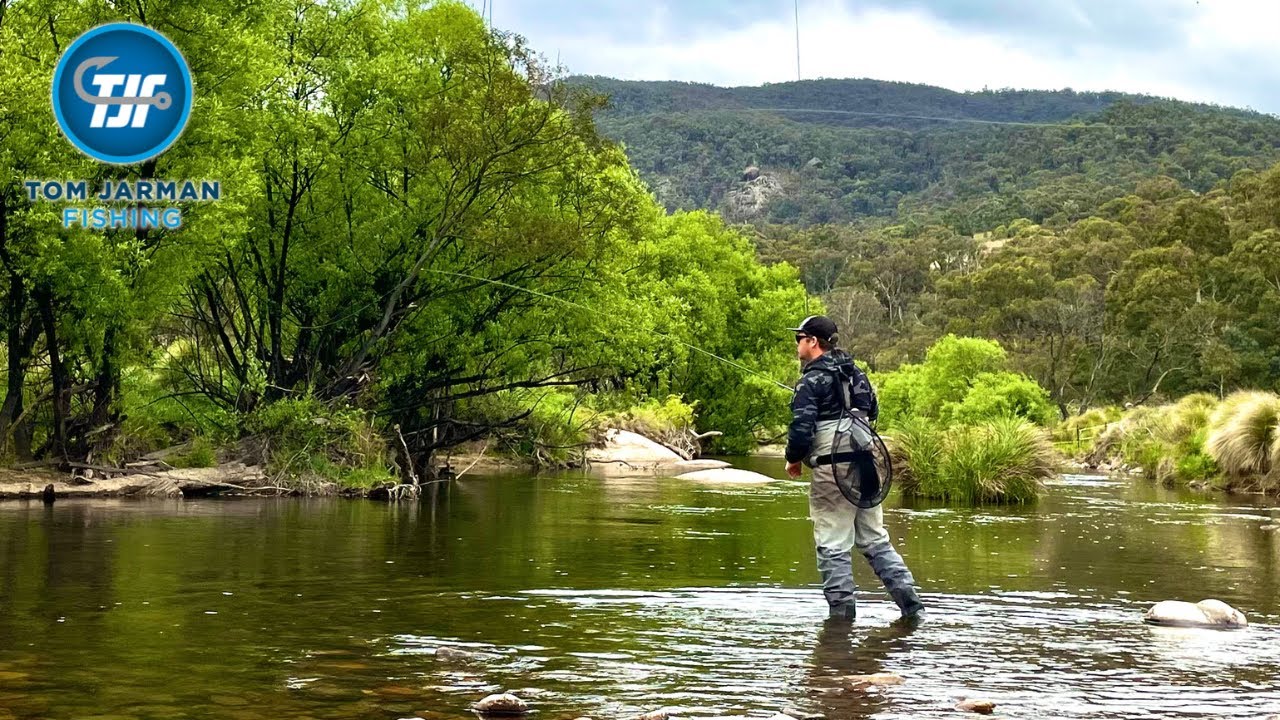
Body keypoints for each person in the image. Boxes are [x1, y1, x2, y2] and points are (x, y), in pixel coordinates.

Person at [784, 315, 924, 622]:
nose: (796, 344)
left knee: (832, 545)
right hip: (868, 466)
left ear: (813, 342)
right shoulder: (857, 373)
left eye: (799, 338)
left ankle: (840, 623)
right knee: (875, 540)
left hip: (832, 470)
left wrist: (793, 459)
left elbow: (801, 430)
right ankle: (913, 609)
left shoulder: (810, 381)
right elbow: (872, 409)